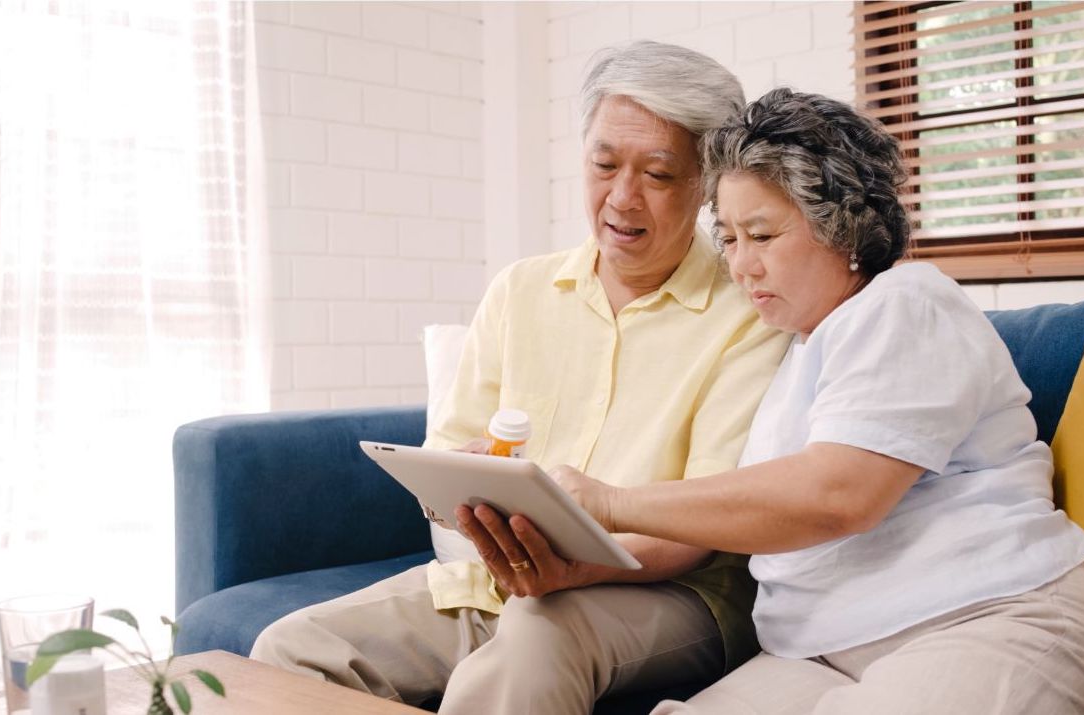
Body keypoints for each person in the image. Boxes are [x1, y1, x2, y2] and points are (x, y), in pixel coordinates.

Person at [250, 41, 791, 714]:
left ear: (707, 184)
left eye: (657, 173)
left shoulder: (747, 315)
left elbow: (704, 520)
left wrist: (577, 566)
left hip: (668, 594)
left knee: (537, 635)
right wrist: (465, 479)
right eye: (603, 164)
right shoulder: (521, 291)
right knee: (289, 649)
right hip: (494, 576)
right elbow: (450, 452)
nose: (622, 198)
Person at [553, 88, 1084, 714]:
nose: (741, 266)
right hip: (821, 650)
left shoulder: (905, 304)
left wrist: (610, 503)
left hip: (982, 618)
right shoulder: (797, 350)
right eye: (731, 238)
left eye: (763, 234)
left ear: (844, 225)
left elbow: (837, 496)